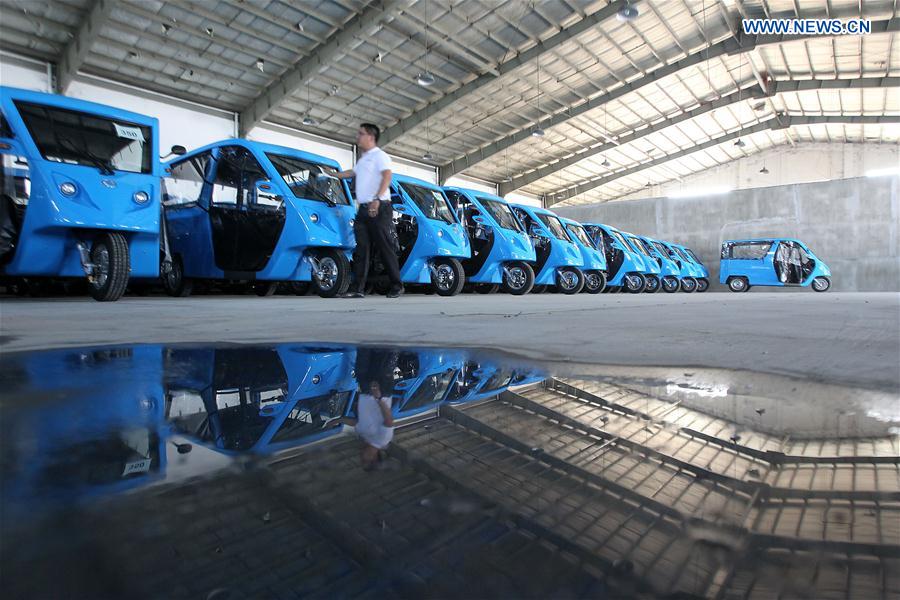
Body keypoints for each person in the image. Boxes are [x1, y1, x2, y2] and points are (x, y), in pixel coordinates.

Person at [336, 123, 403, 298]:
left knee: (385, 247)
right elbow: (352, 172)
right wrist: (334, 175)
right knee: (361, 249)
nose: (357, 136)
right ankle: (357, 288)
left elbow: (387, 176)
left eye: (361, 134)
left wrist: (377, 199)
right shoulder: (364, 159)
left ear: (371, 138)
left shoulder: (380, 156)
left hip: (380, 207)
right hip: (363, 209)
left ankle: (397, 285)